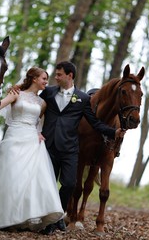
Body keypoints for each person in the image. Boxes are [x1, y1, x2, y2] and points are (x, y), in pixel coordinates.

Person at [0, 67, 64, 232]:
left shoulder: (42, 103)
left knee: (30, 179)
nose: (46, 82)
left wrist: (39, 133)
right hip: (14, 136)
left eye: (46, 80)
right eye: (44, 78)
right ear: (34, 79)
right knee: (10, 175)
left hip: (32, 141)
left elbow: (38, 122)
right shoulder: (16, 94)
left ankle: (22, 217)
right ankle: (2, 217)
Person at [39, 61, 126, 235]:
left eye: (59, 75)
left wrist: (113, 132)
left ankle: (58, 215)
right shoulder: (48, 92)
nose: (55, 78)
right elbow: (34, 105)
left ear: (69, 75)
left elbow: (94, 123)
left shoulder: (83, 98)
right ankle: (48, 220)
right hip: (48, 146)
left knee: (70, 184)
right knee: (47, 184)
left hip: (70, 148)